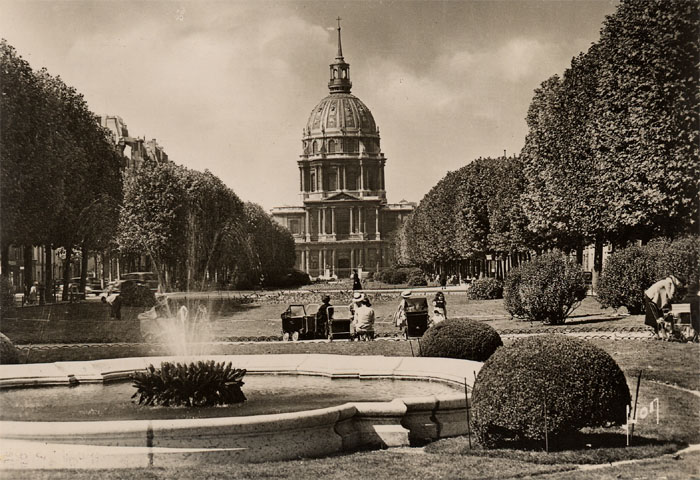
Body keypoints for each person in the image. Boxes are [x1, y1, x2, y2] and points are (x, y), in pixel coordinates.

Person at [644, 275, 683, 340]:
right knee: (655, 317)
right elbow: (670, 295)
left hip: (654, 299)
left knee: (659, 315)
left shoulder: (669, 282)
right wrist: (677, 302)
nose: (679, 285)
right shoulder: (667, 283)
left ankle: (661, 334)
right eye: (680, 282)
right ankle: (657, 334)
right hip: (651, 298)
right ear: (676, 279)